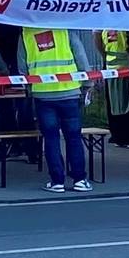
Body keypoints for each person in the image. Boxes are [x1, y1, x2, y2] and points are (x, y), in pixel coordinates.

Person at [18, 23, 96, 192]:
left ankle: (57, 181)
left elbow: (22, 67)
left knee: (51, 139)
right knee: (74, 137)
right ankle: (80, 180)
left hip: (43, 94)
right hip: (69, 91)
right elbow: (81, 57)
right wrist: (88, 83)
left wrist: (30, 89)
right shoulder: (64, 29)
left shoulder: (26, 33)